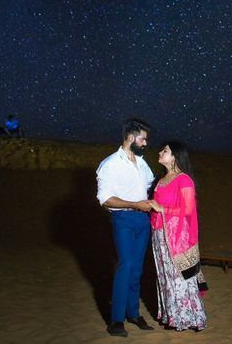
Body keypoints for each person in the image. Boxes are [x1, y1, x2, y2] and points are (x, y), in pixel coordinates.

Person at [96, 119, 157, 337]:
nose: (145, 143)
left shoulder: (141, 163)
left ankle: (134, 313)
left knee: (138, 268)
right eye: (143, 139)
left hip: (143, 220)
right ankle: (116, 320)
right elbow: (105, 199)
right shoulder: (110, 163)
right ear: (130, 138)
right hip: (123, 218)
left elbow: (150, 184)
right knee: (126, 265)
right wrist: (134, 204)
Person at [149, 140, 207, 331]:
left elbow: (189, 209)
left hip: (176, 239)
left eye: (165, 150)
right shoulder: (161, 180)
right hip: (159, 235)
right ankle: (173, 316)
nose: (160, 152)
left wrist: (162, 208)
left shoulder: (184, 180)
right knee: (164, 277)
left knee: (178, 277)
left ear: (175, 156)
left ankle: (189, 318)